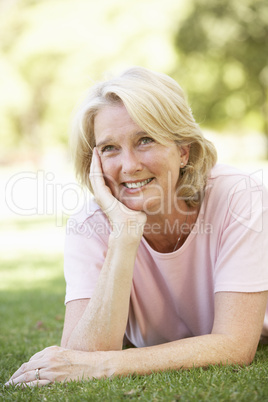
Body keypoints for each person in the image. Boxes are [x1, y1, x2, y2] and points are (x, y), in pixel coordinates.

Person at [6, 66, 268, 387]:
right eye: (109, 148)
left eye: (145, 140)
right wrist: (124, 234)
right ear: (95, 163)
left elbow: (235, 344)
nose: (129, 166)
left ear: (183, 151)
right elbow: (79, 357)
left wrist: (110, 364)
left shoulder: (239, 197)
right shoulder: (88, 226)